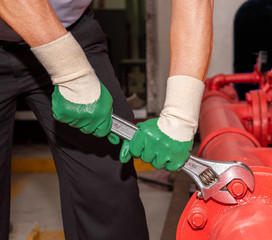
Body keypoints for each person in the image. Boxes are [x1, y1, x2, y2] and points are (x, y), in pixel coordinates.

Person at [0, 0, 214, 239]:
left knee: (109, 189)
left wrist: (180, 116)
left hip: (70, 31)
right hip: (57, 46)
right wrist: (73, 74)